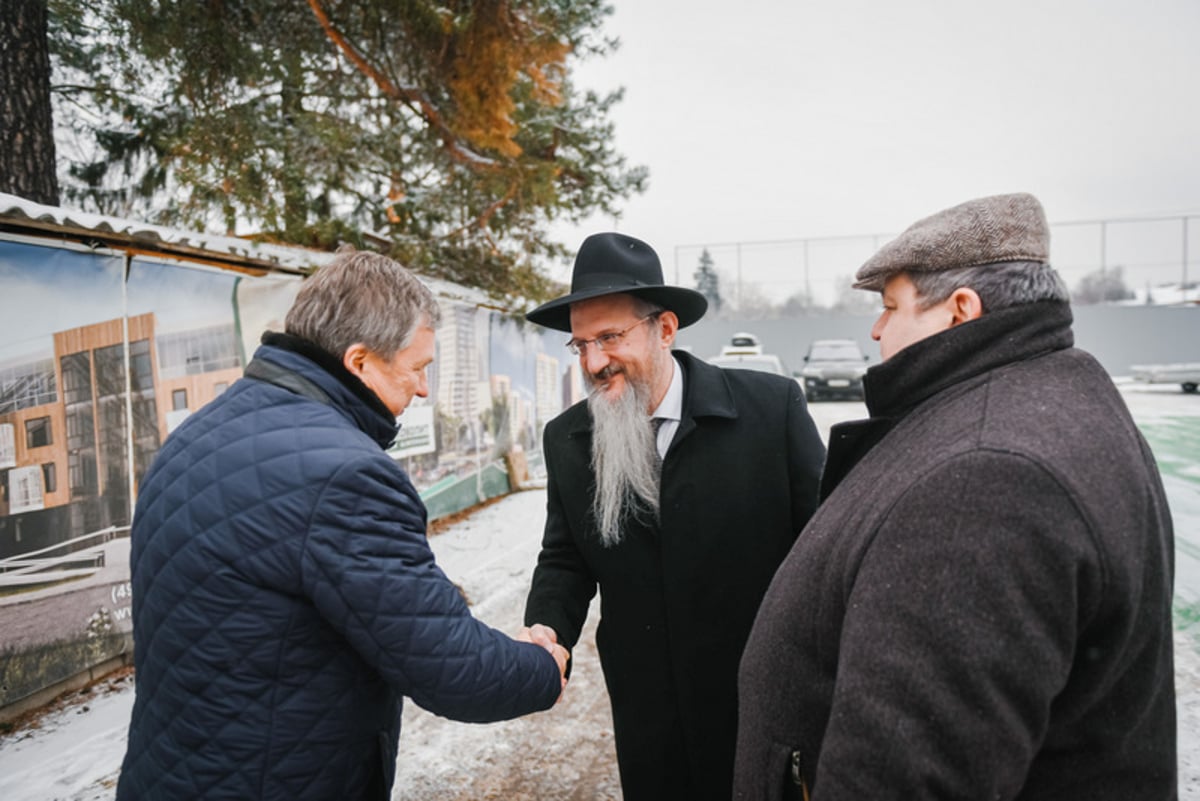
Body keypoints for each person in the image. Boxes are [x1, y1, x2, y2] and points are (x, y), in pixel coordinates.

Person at [734, 193, 1177, 800]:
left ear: (961, 310)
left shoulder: (984, 480)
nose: (876, 327)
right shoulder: (1053, 391)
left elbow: (908, 776)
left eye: (892, 306)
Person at [117, 250, 568, 801]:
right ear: (359, 362)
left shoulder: (195, 436)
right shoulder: (346, 475)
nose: (423, 389)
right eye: (418, 367)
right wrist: (542, 666)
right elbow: (454, 670)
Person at [522, 232, 826, 800]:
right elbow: (564, 554)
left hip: (757, 703)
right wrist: (547, 626)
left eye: (609, 338)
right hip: (648, 710)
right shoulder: (568, 438)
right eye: (580, 344)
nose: (593, 362)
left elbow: (825, 551)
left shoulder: (770, 411)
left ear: (664, 328)